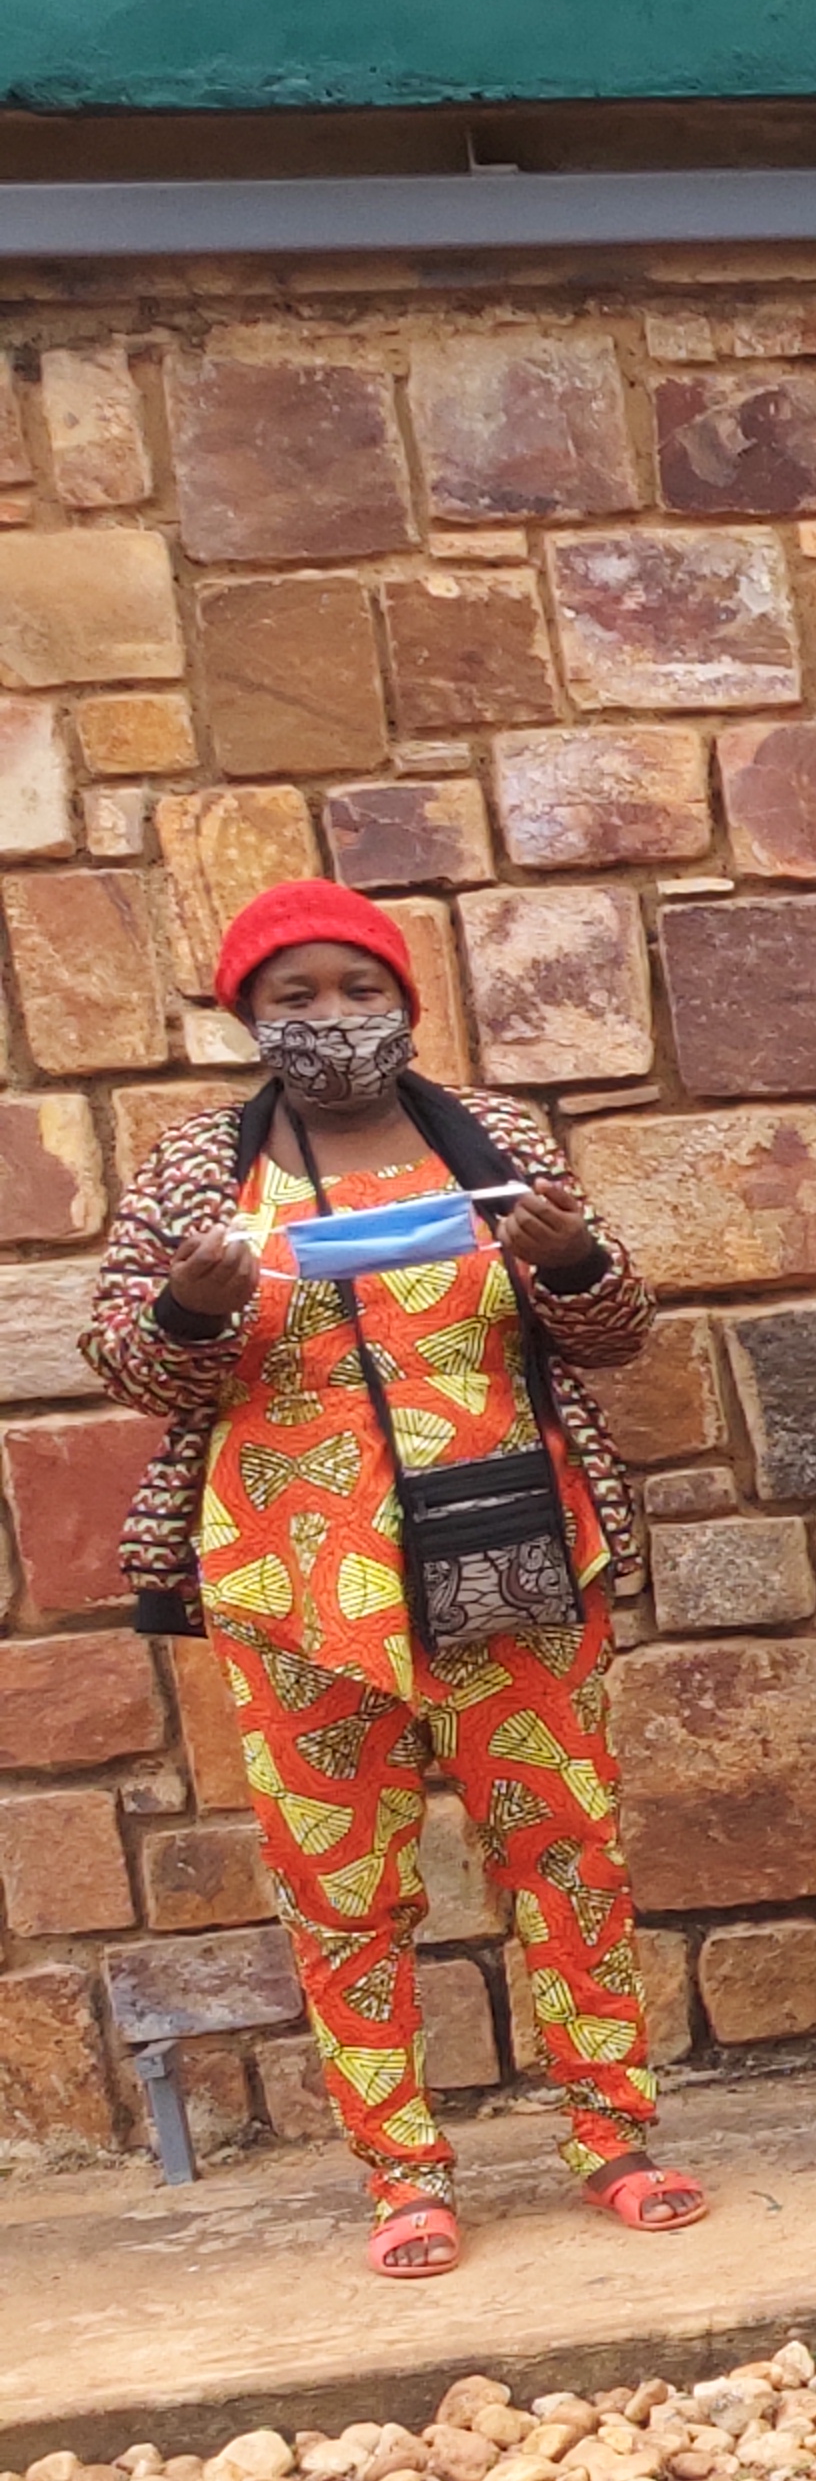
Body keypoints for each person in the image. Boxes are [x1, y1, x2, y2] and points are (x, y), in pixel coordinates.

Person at [83, 881, 703, 2277]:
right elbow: (126, 1361)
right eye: (294, 998)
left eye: (358, 992)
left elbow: (614, 1332)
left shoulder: (494, 1142)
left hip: (512, 1557)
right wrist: (193, 1300)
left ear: (405, 1003)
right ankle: (402, 2175)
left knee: (565, 1856)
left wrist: (576, 1261)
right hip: (290, 1583)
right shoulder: (196, 1168)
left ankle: (616, 2137)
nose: (332, 1021)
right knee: (342, 1888)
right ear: (248, 1016)